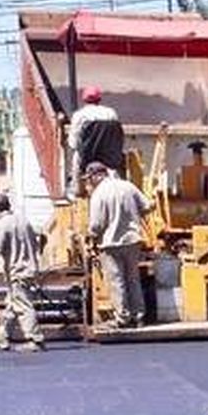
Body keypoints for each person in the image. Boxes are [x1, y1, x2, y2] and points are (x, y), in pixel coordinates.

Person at [84, 160, 150, 330]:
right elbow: (148, 206)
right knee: (133, 279)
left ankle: (122, 318)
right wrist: (133, 215)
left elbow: (96, 225)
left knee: (117, 281)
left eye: (90, 178)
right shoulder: (128, 186)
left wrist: (90, 237)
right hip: (133, 240)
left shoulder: (99, 194)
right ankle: (139, 316)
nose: (89, 182)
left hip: (111, 243)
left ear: (98, 175)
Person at [0, 193, 46, 350]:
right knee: (11, 305)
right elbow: (41, 236)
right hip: (30, 268)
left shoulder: (2, 225)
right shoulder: (23, 220)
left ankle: (35, 339)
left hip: (17, 271)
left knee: (23, 305)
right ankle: (2, 337)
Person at [68, 88, 125, 196]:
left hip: (87, 158)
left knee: (76, 157)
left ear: (84, 99)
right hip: (110, 158)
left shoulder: (79, 115)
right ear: (99, 99)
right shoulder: (111, 113)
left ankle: (78, 190)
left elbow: (73, 143)